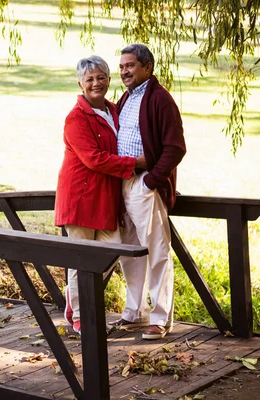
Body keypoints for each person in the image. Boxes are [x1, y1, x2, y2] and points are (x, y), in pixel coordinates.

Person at [54, 55, 146, 335]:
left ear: (108, 79)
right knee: (82, 259)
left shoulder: (114, 110)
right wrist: (137, 164)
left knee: (109, 253)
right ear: (80, 83)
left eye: (101, 77)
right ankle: (81, 316)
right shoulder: (75, 118)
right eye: (90, 79)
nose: (96, 83)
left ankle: (74, 300)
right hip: (80, 198)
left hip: (106, 197)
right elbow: (95, 159)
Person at [109, 44, 187, 340]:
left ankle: (160, 317)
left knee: (156, 250)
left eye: (130, 66)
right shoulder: (127, 97)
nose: (124, 71)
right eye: (121, 67)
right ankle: (135, 311)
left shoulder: (160, 99)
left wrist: (152, 180)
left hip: (144, 184)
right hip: (123, 183)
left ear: (147, 67)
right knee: (129, 251)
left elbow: (175, 148)